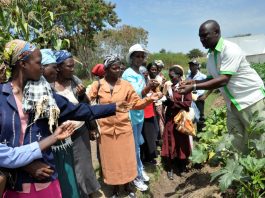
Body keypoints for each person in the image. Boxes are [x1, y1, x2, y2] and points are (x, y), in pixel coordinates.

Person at [0, 39, 128, 198]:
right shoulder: (2, 96)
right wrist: (25, 166)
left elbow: (78, 110)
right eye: (39, 62)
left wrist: (113, 107)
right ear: (23, 64)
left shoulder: (44, 95)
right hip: (14, 184)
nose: (42, 67)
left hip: (45, 176)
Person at [179, 19, 265, 154]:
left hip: (250, 100)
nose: (202, 39)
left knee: (259, 140)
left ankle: (260, 170)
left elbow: (224, 79)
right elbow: (213, 78)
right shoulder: (211, 55)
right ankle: (239, 171)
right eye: (200, 37)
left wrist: (194, 86)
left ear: (217, 32)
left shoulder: (230, 49)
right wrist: (191, 82)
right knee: (234, 140)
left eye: (205, 35)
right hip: (232, 104)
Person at [89, 55, 161, 197]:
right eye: (114, 68)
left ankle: (128, 187)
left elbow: (136, 104)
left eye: (119, 68)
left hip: (124, 129)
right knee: (111, 161)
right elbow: (87, 104)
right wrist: (91, 125)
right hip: (106, 131)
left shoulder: (126, 85)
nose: (118, 71)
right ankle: (115, 189)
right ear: (106, 69)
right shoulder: (97, 85)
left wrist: (148, 100)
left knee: (126, 160)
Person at [53, 50, 101, 198]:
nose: (73, 69)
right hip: (61, 137)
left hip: (80, 132)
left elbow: (86, 107)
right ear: (58, 67)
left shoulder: (75, 80)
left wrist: (81, 96)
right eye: (69, 66)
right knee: (69, 168)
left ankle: (90, 192)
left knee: (85, 166)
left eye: (73, 66)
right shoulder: (49, 84)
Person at [0, 123, 75, 197]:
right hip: (15, 187)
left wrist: (53, 137)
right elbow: (10, 157)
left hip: (45, 185)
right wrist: (25, 165)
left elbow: (11, 156)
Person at [122, 44, 160, 191]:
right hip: (131, 114)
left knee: (137, 145)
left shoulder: (139, 74)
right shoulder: (128, 74)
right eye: (137, 56)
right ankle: (136, 175)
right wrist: (149, 86)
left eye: (142, 56)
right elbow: (135, 96)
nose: (140, 58)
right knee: (133, 146)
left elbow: (142, 95)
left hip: (139, 114)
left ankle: (139, 168)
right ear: (131, 58)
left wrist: (150, 88)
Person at [161, 66, 192, 180]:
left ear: (179, 76)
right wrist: (166, 102)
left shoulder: (185, 87)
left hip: (180, 119)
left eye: (172, 76)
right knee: (170, 140)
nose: (171, 78)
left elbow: (188, 104)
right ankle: (170, 167)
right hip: (170, 118)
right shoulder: (170, 87)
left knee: (182, 141)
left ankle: (182, 165)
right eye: (169, 76)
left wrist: (173, 103)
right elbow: (166, 101)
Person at [140, 64, 160, 165]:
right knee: (145, 137)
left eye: (145, 74)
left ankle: (150, 156)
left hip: (150, 112)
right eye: (143, 73)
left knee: (151, 135)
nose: (145, 75)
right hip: (142, 113)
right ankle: (146, 158)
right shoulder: (138, 85)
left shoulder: (147, 83)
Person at [186, 59, 207, 132]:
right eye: (190, 65)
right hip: (190, 99)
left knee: (200, 116)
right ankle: (190, 131)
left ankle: (200, 133)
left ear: (197, 66)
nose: (191, 67)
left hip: (199, 98)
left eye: (193, 65)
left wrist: (205, 95)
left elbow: (209, 84)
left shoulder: (202, 76)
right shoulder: (188, 76)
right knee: (191, 115)